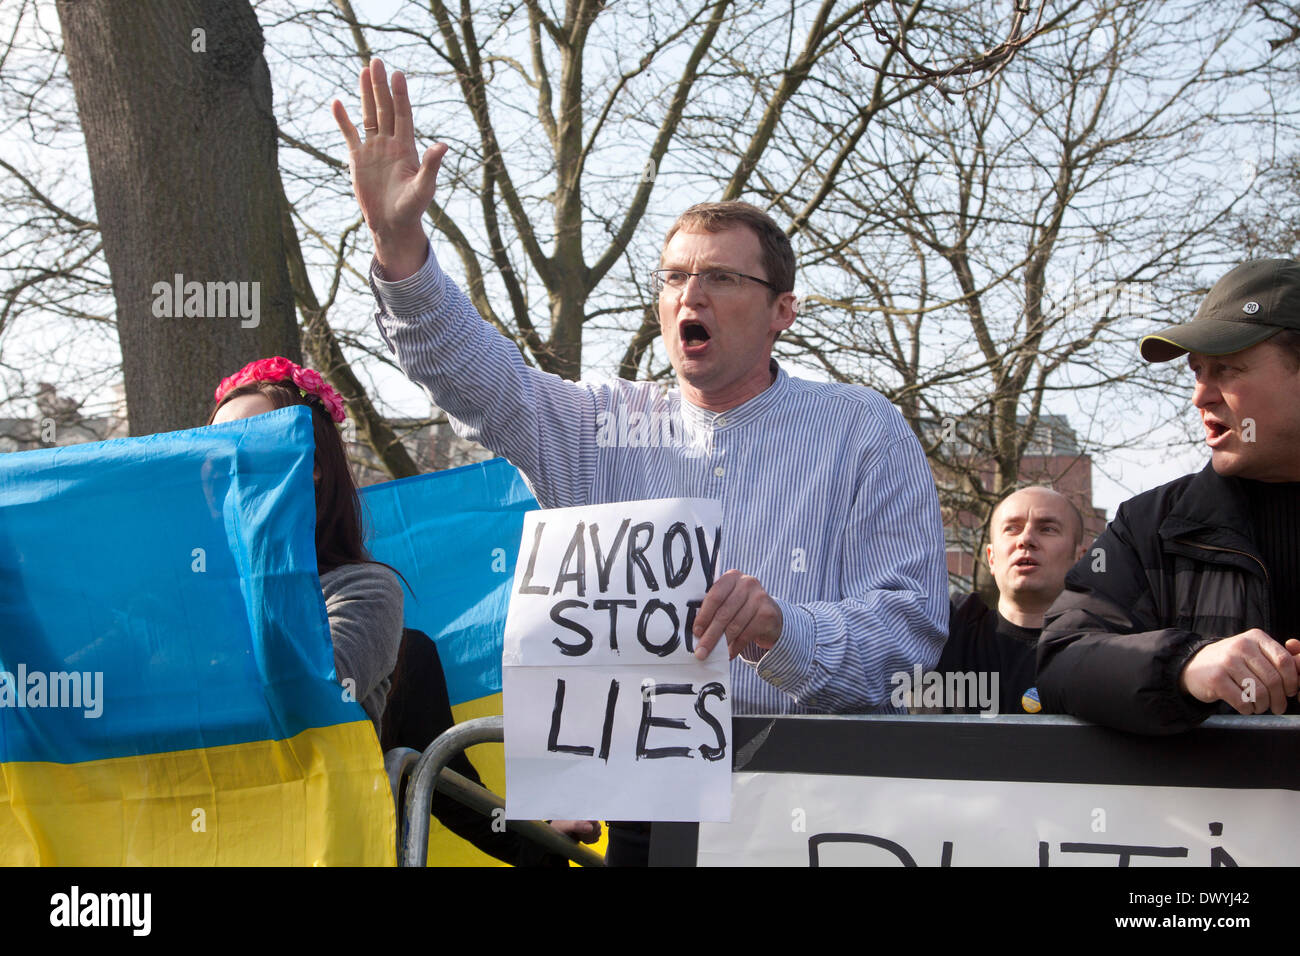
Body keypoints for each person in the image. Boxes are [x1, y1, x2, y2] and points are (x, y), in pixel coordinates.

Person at [332, 59, 948, 862]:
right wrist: (401, 246)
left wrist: (782, 630)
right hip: (652, 821)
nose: (690, 294)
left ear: (781, 312)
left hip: (811, 816)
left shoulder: (864, 430)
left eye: (722, 276)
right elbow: (472, 375)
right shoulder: (598, 425)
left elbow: (908, 639)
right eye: (675, 276)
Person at [1038, 258, 1300, 733]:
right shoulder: (1150, 527)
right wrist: (1184, 666)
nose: (1200, 396)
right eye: (1197, 371)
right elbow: (1061, 660)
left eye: (1228, 369)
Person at [208, 356, 403, 735]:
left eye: (245, 443)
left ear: (311, 463)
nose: (225, 463)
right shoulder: (180, 588)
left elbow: (309, 700)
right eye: (213, 448)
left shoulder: (366, 589)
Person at [938, 486, 1087, 715]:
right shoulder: (947, 630)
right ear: (992, 558)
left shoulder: (1104, 646)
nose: (1026, 539)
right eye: (1011, 529)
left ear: (1079, 559)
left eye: (1047, 529)